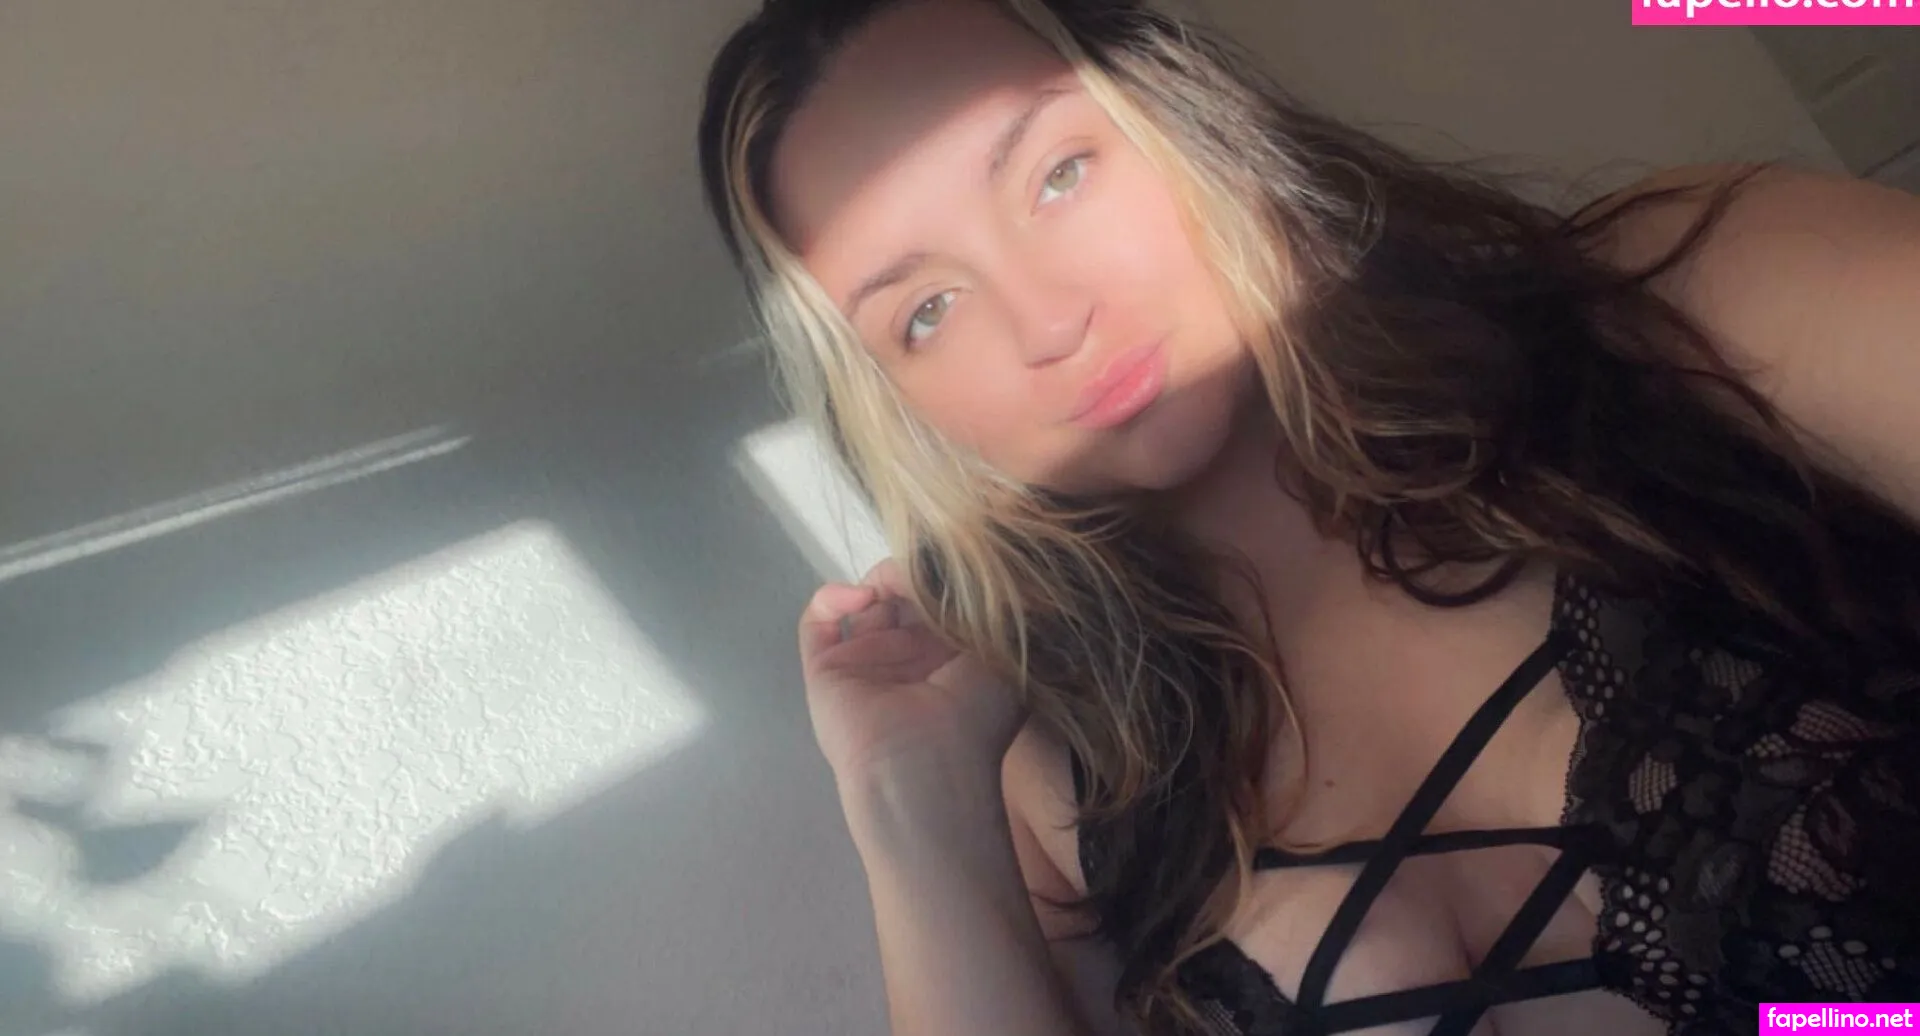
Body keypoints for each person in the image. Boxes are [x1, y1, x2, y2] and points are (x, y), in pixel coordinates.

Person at [696, 1, 1920, 1033]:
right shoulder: (1058, 771)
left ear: (1180, 111)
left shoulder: (1694, 300)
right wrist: (909, 803)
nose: (1047, 320)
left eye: (1057, 175)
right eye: (926, 312)